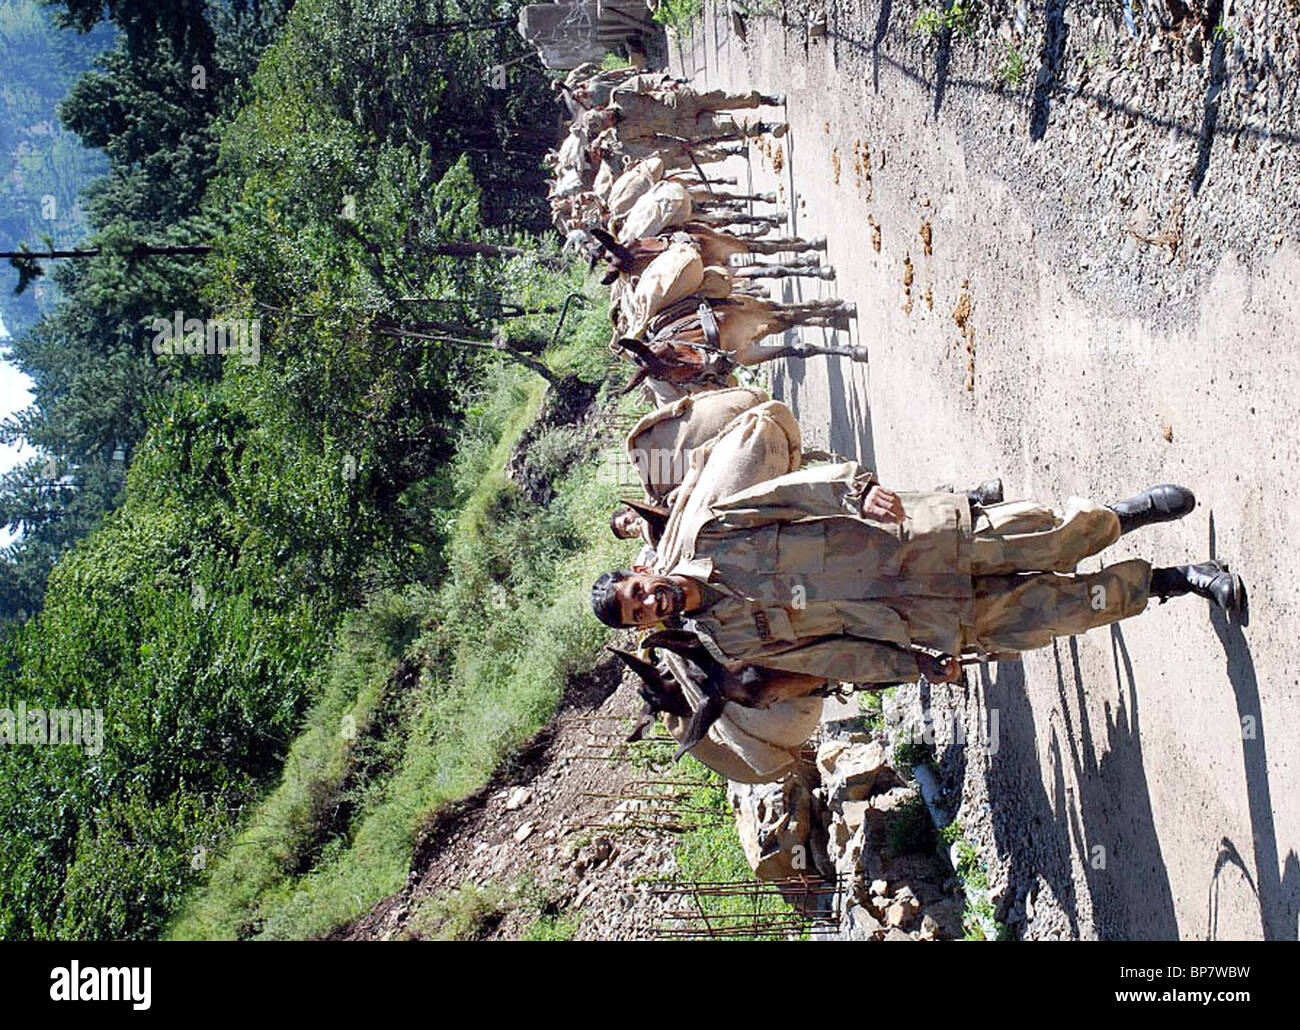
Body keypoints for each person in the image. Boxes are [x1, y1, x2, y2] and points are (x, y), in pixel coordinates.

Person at [591, 462, 1244, 688]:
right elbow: (836, 658)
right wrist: (914, 667)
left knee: (1053, 536)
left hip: (920, 540)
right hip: (927, 621)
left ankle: (1123, 517)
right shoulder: (733, 644)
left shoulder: (712, 530)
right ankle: (1180, 580)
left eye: (637, 592)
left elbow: (793, 493)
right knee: (1062, 611)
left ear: (641, 573)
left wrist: (858, 490)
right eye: (640, 613)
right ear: (647, 625)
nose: (649, 603)